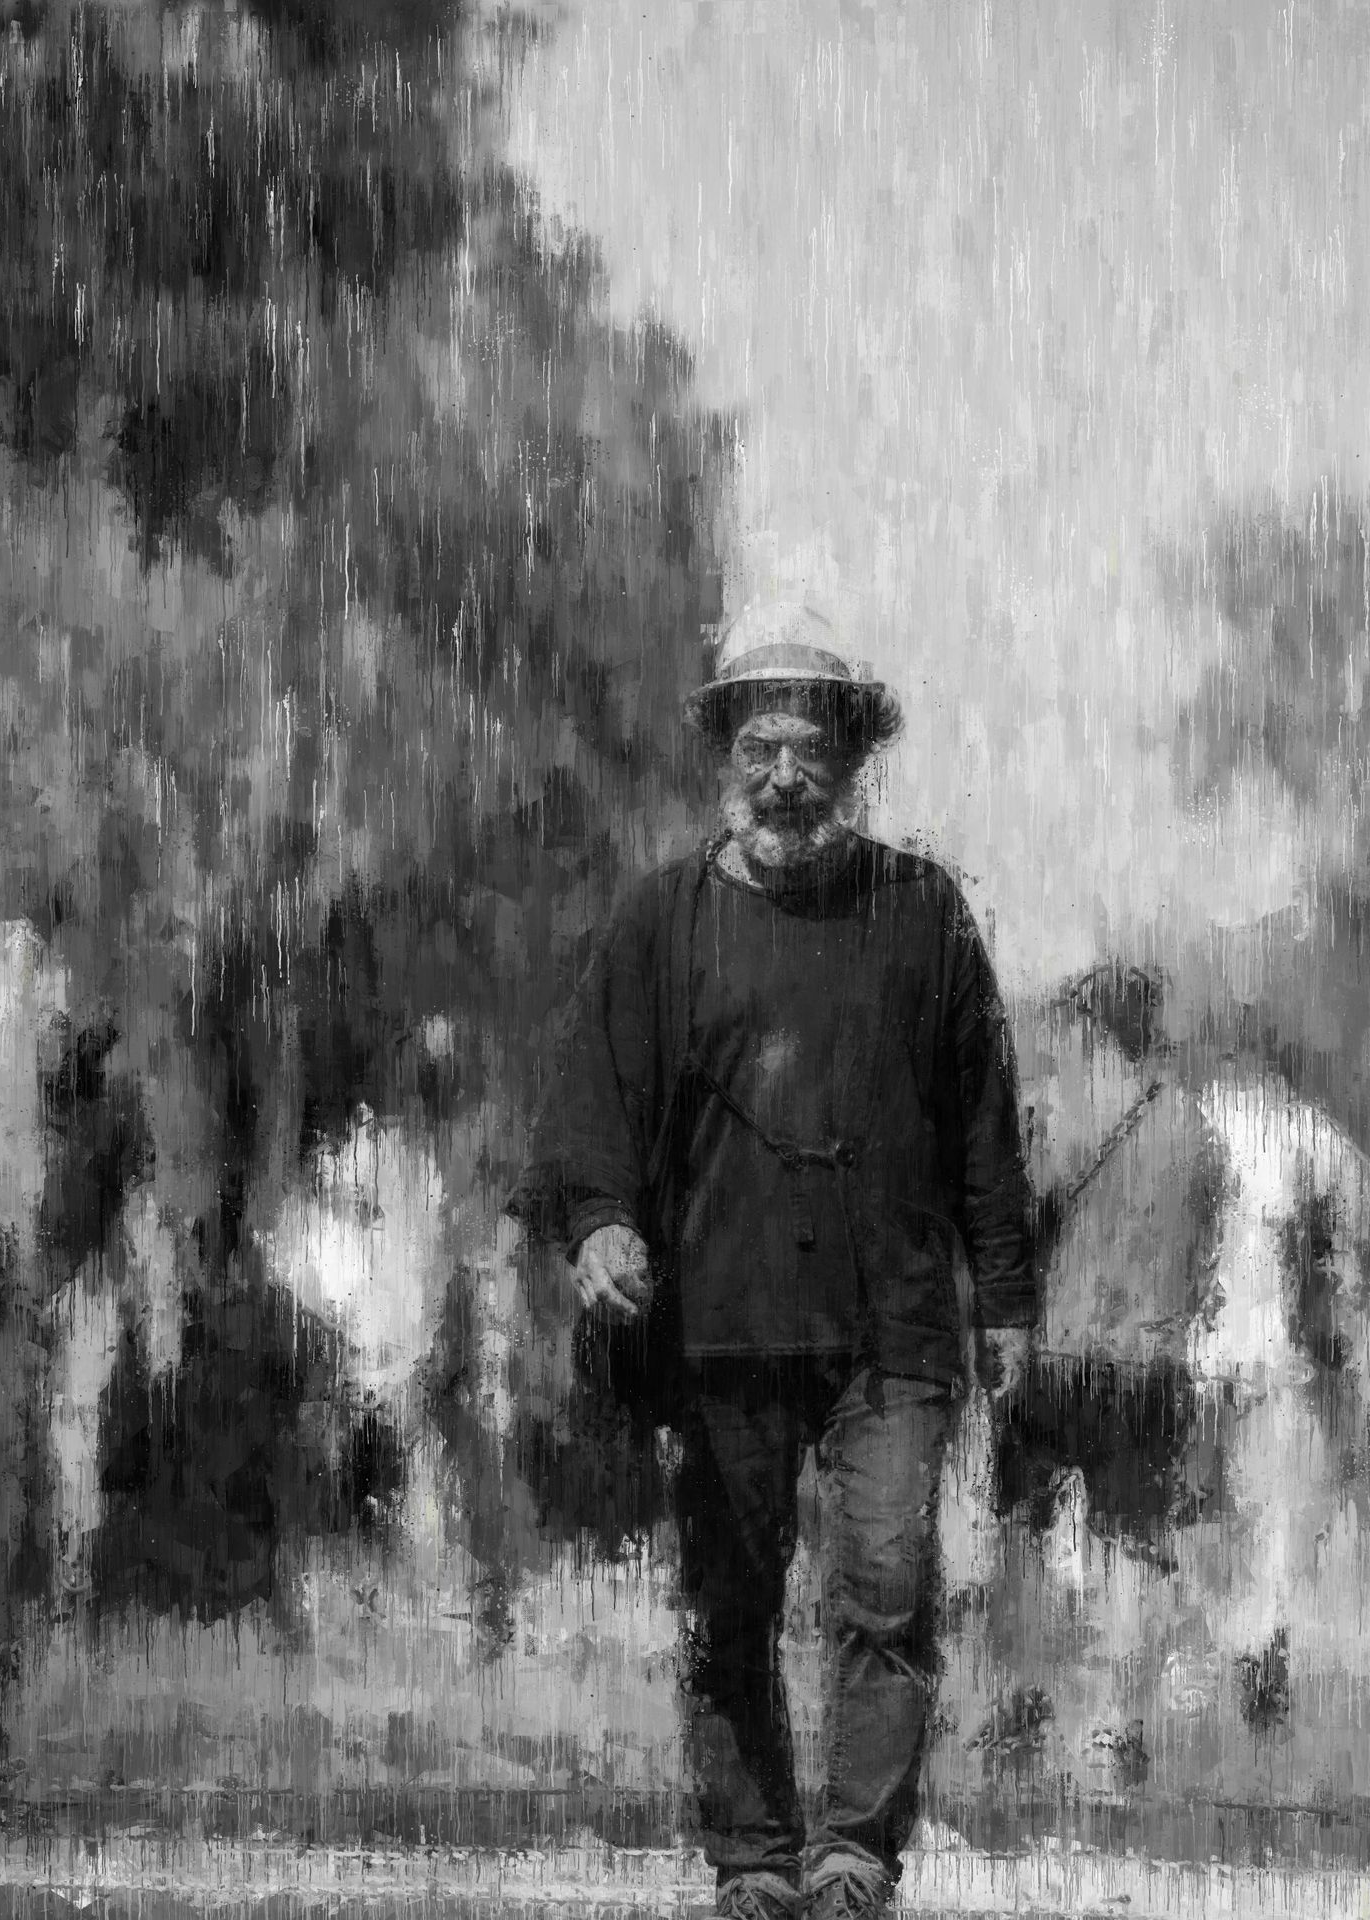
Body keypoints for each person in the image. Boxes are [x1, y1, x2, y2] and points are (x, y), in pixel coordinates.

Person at [518, 599, 1037, 1920]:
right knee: (730, 1607)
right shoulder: (660, 925)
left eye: (811, 749)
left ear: (856, 761)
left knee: (888, 1587)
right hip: (721, 1322)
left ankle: (856, 1853)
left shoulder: (925, 918)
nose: (786, 775)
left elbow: (985, 1123)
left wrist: (1011, 1301)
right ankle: (753, 1860)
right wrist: (600, 1226)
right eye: (760, 750)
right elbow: (589, 1100)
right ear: (725, 760)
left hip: (894, 1330)